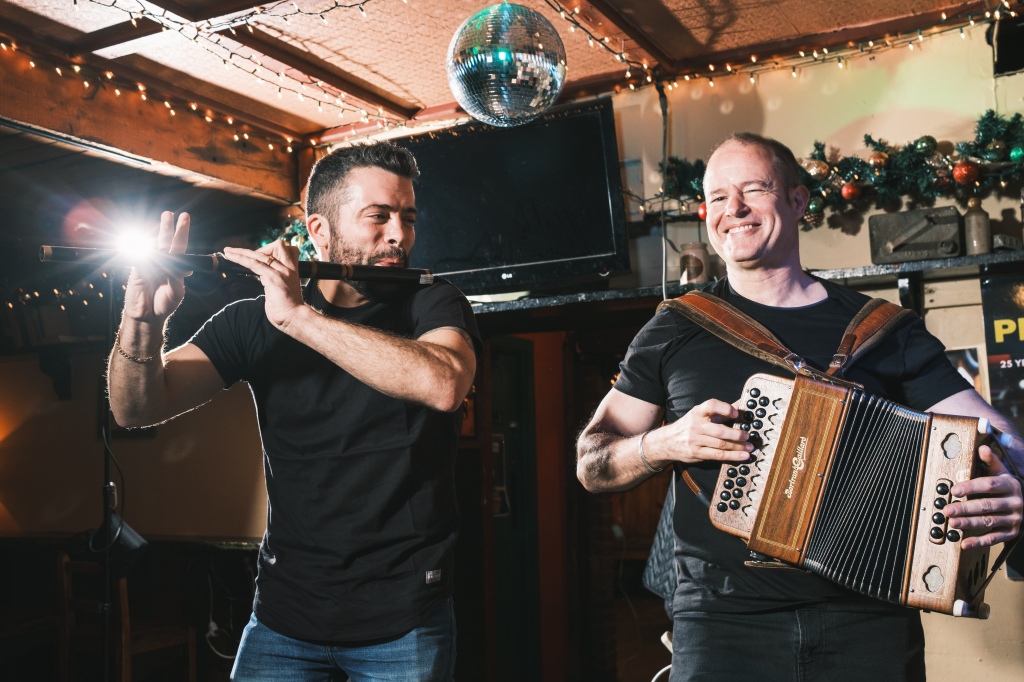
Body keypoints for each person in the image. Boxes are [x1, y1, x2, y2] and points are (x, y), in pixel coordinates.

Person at [576, 132, 1023, 681]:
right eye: (717, 197)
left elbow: (997, 432)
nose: (732, 210)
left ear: (797, 201)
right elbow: (592, 462)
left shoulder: (883, 331)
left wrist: (1013, 478)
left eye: (753, 189)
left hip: (868, 622)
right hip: (722, 623)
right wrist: (665, 442)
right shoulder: (675, 327)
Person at [107, 141, 481, 681]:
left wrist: (299, 319)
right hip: (284, 618)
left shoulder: (432, 302)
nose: (399, 235)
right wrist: (141, 321)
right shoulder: (252, 322)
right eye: (378, 217)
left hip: (403, 620)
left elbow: (444, 383)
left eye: (408, 217)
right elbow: (134, 408)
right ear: (319, 230)